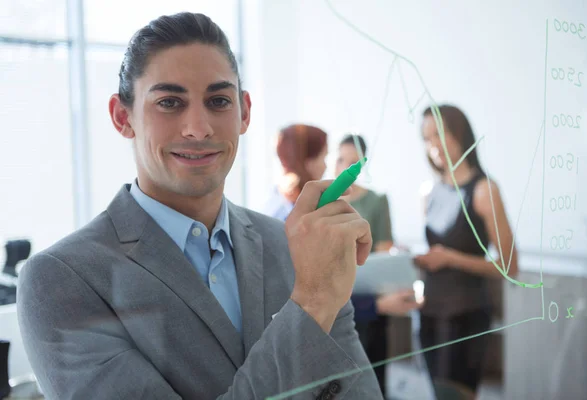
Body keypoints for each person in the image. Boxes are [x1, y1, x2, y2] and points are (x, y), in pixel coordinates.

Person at [16, 12, 383, 400]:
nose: (198, 127)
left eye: (218, 100)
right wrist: (311, 303)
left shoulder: (292, 248)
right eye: (170, 102)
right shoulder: (61, 279)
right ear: (123, 117)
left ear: (244, 112)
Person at [267, 131, 421, 397]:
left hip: (352, 314)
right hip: (322, 323)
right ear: (307, 160)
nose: (331, 166)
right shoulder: (291, 213)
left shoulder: (365, 201)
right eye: (329, 158)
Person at [413, 105, 519, 393]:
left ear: (460, 134)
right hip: (429, 314)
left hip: (465, 316)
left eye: (438, 134)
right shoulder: (429, 192)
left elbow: (510, 266)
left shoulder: (484, 189)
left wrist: (450, 258)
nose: (431, 144)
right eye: (425, 137)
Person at [336, 134, 421, 396]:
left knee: (372, 377)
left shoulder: (376, 201)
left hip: (369, 301)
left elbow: (383, 253)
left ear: (362, 165)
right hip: (337, 298)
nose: (344, 167)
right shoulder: (324, 202)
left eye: (353, 162)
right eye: (340, 160)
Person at [262, 124, 328, 221]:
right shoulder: (286, 213)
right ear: (307, 162)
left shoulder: (277, 200)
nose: (325, 166)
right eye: (323, 158)